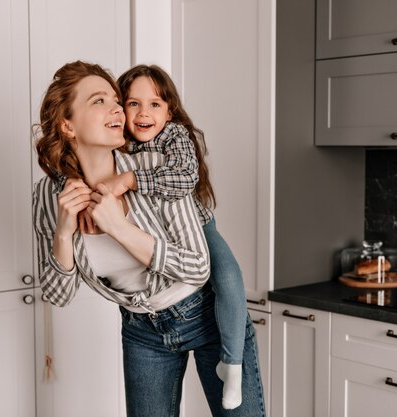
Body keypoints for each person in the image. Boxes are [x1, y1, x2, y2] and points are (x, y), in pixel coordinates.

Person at [32, 60, 266, 417]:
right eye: (99, 101)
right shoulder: (49, 198)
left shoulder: (155, 168)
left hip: (207, 314)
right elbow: (58, 295)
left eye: (115, 99)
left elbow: (199, 266)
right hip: (141, 330)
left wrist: (120, 229)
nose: (116, 108)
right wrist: (64, 233)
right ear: (67, 125)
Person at [91, 64, 248, 410]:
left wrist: (130, 180)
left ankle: (233, 362)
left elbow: (183, 180)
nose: (144, 113)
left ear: (170, 110)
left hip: (200, 229)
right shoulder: (120, 146)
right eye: (133, 104)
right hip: (147, 312)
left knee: (228, 276)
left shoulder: (174, 136)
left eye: (155, 104)